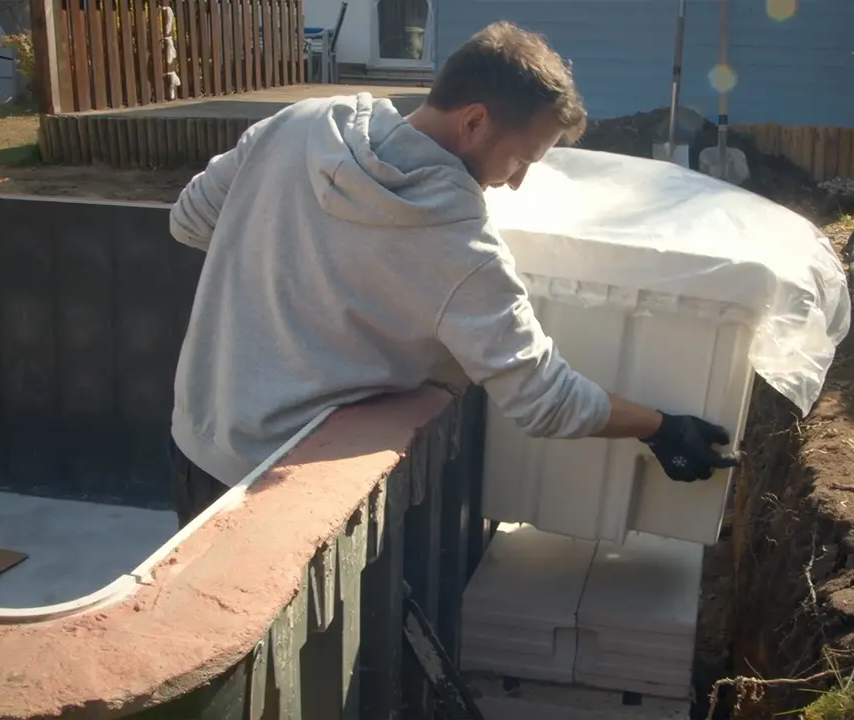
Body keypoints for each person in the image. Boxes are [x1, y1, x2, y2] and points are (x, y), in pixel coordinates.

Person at [166, 21, 740, 529]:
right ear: (474, 122)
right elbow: (543, 398)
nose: (515, 183)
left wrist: (288, 258)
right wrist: (660, 427)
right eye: (522, 160)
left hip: (198, 441)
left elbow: (189, 221)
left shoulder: (300, 122)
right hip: (287, 495)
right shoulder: (460, 245)